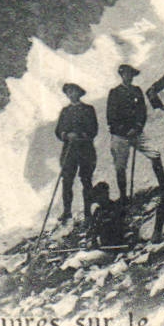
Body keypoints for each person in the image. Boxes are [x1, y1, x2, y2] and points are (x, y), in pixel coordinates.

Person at [106, 63, 164, 199]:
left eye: (131, 74)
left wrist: (137, 127)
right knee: (120, 166)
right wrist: (124, 130)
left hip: (136, 133)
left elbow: (142, 111)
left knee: (155, 153)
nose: (128, 77)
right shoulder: (114, 92)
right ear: (121, 75)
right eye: (126, 74)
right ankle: (123, 196)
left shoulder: (137, 90)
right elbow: (111, 116)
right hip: (120, 135)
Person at [54, 83, 98, 225]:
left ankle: (88, 211)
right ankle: (67, 211)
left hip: (85, 149)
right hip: (69, 151)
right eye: (69, 92)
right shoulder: (65, 111)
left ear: (79, 93)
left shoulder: (88, 109)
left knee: (86, 180)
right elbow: (58, 130)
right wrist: (66, 135)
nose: (71, 94)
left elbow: (93, 129)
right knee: (67, 181)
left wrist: (78, 135)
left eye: (74, 92)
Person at [86, 182, 133, 250]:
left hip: (115, 248)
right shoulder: (98, 211)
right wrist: (90, 242)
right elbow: (91, 231)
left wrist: (129, 238)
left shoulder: (116, 208)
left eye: (101, 195)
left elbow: (125, 227)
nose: (97, 199)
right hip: (101, 248)